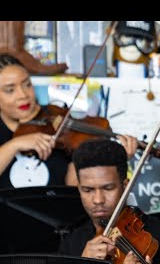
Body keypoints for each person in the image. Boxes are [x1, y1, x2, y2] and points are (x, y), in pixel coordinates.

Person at [0, 53, 138, 189]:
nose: (23, 95)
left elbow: (76, 189)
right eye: (10, 90)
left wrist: (116, 161)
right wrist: (14, 145)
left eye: (27, 85)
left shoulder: (58, 120)